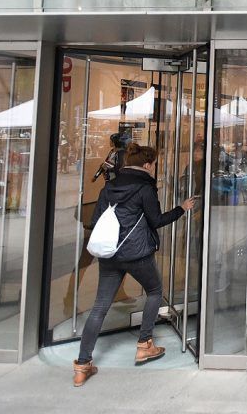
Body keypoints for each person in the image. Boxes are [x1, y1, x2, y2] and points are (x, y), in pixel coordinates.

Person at [72, 143, 197, 387]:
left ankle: (82, 365)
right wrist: (182, 208)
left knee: (99, 307)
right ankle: (144, 344)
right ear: (148, 165)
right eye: (153, 166)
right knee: (154, 291)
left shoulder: (109, 187)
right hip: (137, 254)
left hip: (109, 254)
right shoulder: (145, 188)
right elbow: (157, 221)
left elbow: (97, 220)